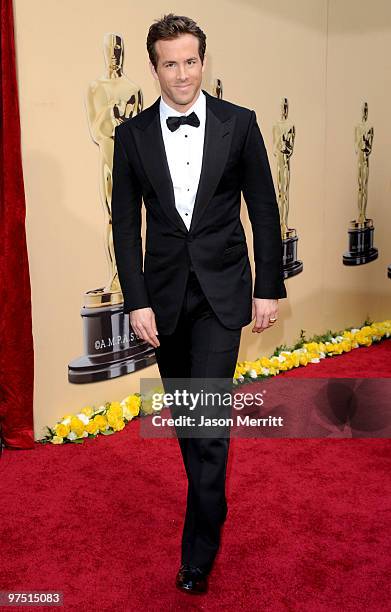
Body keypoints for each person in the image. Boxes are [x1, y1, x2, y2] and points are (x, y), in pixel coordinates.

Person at [111, 13, 287, 594]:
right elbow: (124, 228)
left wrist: (269, 286)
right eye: (170, 64)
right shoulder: (132, 135)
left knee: (207, 425)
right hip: (162, 301)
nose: (181, 74)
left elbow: (263, 209)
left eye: (190, 61)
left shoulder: (241, 125)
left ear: (202, 62)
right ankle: (211, 500)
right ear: (155, 66)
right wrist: (136, 302)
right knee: (190, 421)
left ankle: (197, 554)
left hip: (222, 295)